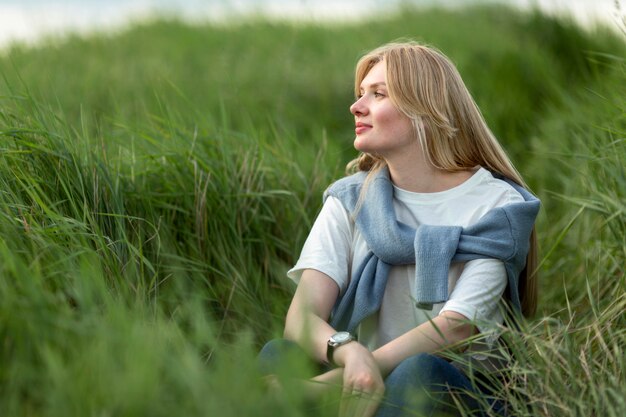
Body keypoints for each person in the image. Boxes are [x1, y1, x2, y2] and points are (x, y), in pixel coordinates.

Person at [259, 41, 540, 417]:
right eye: (361, 94)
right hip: (362, 385)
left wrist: (328, 383)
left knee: (417, 373)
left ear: (425, 108)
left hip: (459, 392)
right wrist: (351, 353)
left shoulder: (498, 205)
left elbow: (456, 328)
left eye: (378, 94)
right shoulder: (351, 200)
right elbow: (301, 318)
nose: (356, 107)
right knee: (280, 354)